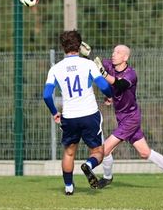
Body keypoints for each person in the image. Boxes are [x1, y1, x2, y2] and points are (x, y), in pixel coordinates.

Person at [93, 44, 163, 189]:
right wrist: (86, 54)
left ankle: (107, 178)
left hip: (130, 119)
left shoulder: (131, 74)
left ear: (125, 57)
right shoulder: (109, 65)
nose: (113, 54)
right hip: (123, 118)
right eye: (113, 51)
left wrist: (104, 75)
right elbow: (96, 63)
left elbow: (120, 85)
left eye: (118, 52)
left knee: (104, 149)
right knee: (145, 152)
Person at [43, 30, 112, 195]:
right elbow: (104, 86)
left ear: (63, 47)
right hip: (89, 114)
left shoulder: (55, 69)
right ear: (79, 46)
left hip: (70, 117)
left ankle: (68, 187)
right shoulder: (88, 65)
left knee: (69, 152)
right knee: (98, 152)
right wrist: (109, 96)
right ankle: (88, 165)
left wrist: (54, 112)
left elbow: (46, 95)